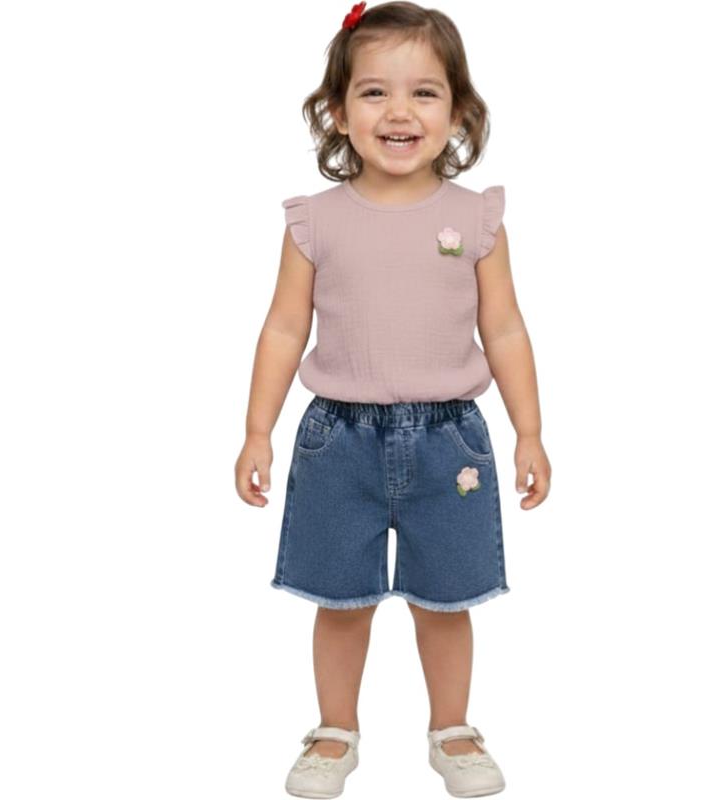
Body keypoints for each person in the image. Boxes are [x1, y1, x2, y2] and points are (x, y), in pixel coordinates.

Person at [234, 2, 551, 797]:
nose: (399, 112)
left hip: (452, 443)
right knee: (341, 600)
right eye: (374, 92)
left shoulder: (475, 219)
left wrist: (530, 432)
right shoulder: (315, 222)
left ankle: (453, 729)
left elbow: (505, 328)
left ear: (459, 112)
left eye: (424, 93)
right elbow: (283, 328)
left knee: (446, 599)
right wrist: (257, 431)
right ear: (338, 113)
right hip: (336, 440)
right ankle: (334, 730)